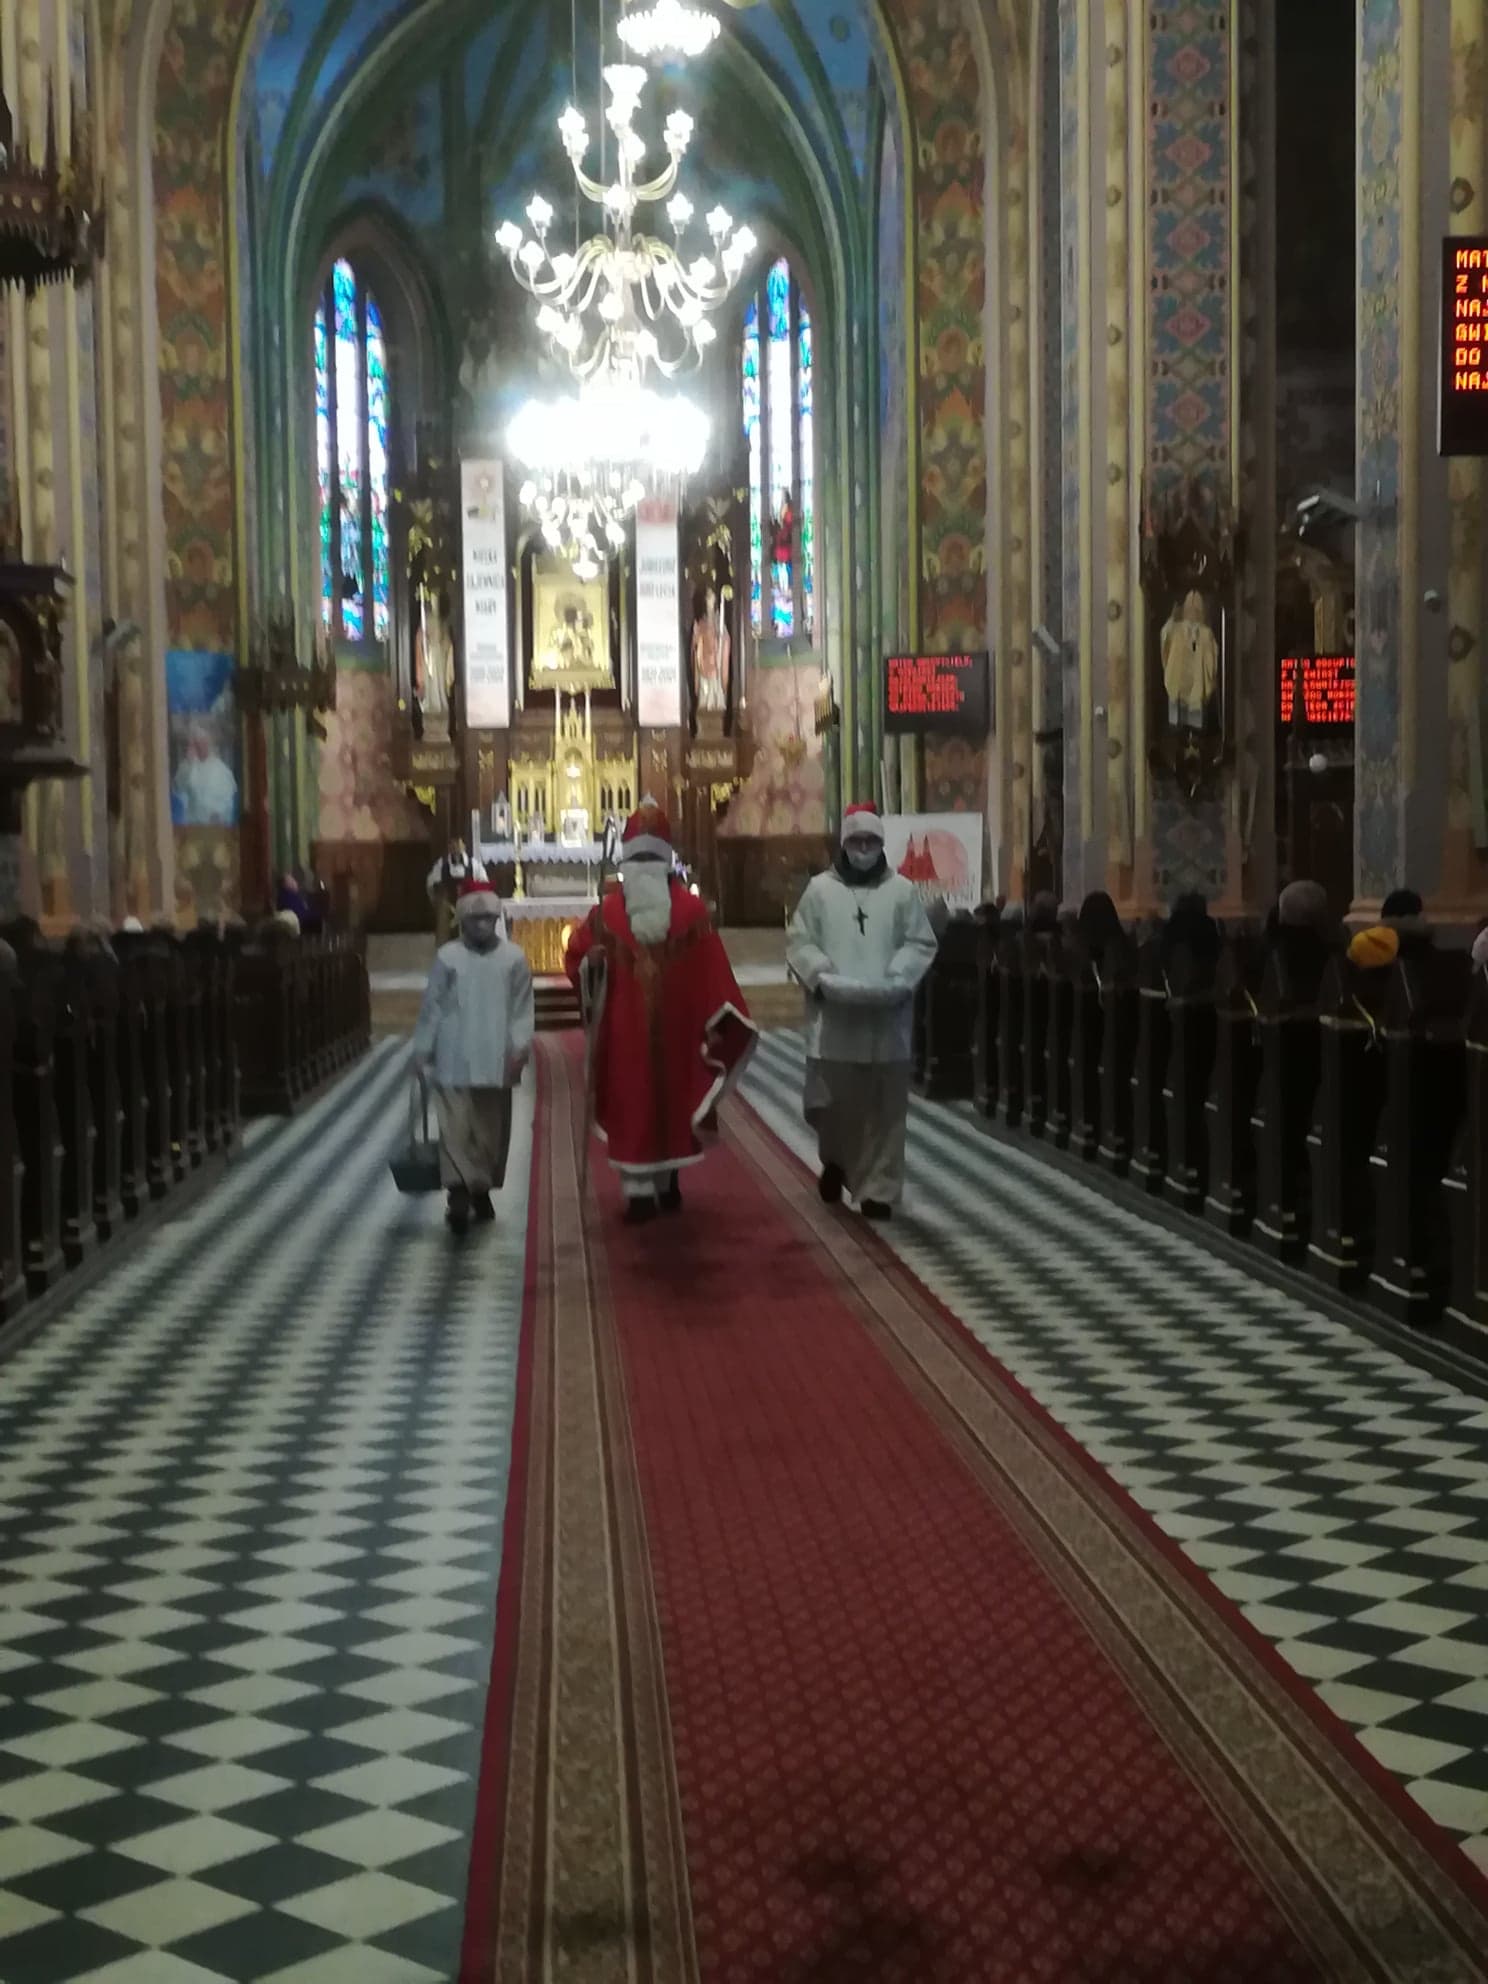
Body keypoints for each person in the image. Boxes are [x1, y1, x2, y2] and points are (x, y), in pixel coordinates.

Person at [564, 801, 756, 1223]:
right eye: (639, 859)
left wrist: (717, 1016)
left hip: (677, 1028)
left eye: (652, 858)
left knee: (672, 1099)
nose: (645, 866)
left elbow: (711, 969)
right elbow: (576, 956)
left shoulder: (690, 913)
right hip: (625, 1032)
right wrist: (591, 965)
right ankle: (637, 1192)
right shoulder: (605, 916)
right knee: (632, 1102)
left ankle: (668, 1179)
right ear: (627, 863)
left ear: (666, 861)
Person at [786, 802, 938, 1221]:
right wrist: (820, 973)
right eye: (857, 841)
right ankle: (836, 1160)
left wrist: (899, 975)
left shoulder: (902, 891)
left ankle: (879, 1191)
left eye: (872, 841)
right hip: (834, 1021)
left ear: (882, 843)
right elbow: (800, 940)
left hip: (886, 1020)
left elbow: (920, 942)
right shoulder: (819, 890)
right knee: (832, 1104)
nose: (865, 848)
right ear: (845, 843)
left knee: (885, 1110)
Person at [412, 878, 534, 1234]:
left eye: (488, 919)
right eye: (475, 919)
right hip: (453, 1053)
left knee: (488, 1130)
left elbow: (522, 1008)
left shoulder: (513, 958)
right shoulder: (447, 957)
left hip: (496, 1055)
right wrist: (423, 1047)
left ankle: (480, 1187)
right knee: (454, 1128)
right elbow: (433, 1006)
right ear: (462, 920)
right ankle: (458, 1193)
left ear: (496, 919)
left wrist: (520, 1046)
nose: (482, 925)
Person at [173, 722, 237, 825]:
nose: (199, 746)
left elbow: (228, 799)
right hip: (191, 823)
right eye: (195, 742)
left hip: (215, 823)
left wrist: (218, 813)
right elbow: (179, 789)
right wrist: (189, 764)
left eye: (202, 741)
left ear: (209, 743)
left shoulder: (221, 770)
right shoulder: (187, 766)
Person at [426, 837, 486, 947]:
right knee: (443, 913)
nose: (456, 848)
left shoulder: (473, 864)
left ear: (464, 847)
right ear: (449, 848)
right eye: (453, 846)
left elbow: (484, 882)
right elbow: (431, 883)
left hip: (468, 904)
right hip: (448, 904)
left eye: (458, 845)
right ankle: (445, 947)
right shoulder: (442, 864)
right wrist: (435, 900)